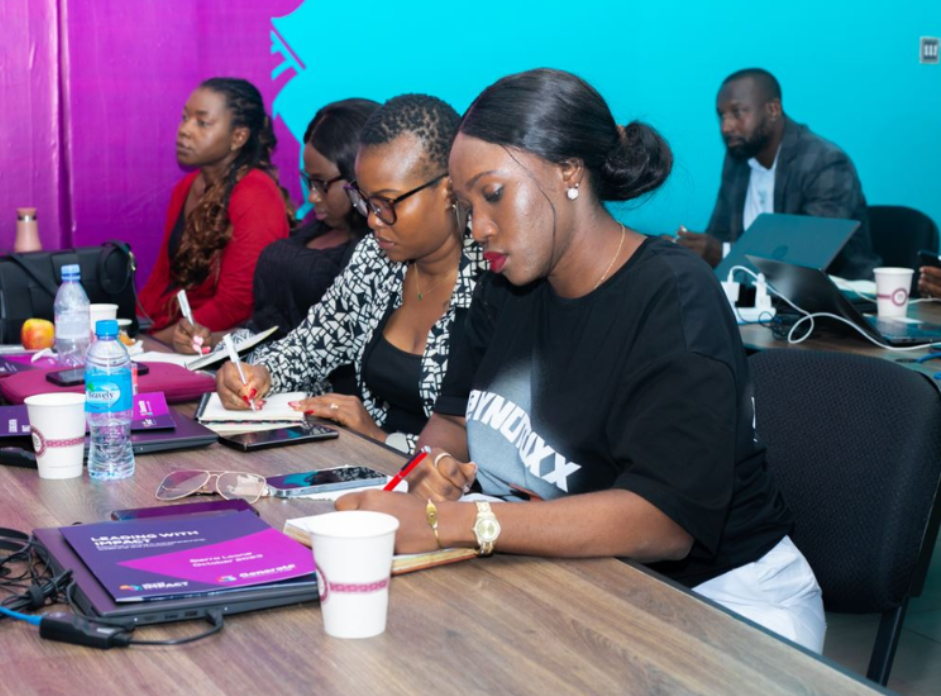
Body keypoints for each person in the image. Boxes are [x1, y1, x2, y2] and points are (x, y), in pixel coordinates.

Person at [337, 68, 827, 653]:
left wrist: (460, 523)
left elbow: (663, 522)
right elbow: (455, 422)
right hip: (570, 582)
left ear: (569, 170)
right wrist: (425, 474)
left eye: (493, 195)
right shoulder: (503, 283)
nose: (479, 229)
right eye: (467, 207)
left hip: (721, 602)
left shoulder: (673, 296)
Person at [214, 94, 486, 452]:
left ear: (449, 189)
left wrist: (381, 437)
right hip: (367, 464)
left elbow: (488, 446)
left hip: (448, 492)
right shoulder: (376, 257)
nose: (373, 220)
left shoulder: (495, 277)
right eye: (365, 200)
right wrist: (260, 373)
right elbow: (309, 346)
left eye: (387, 203)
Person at [179, 98, 380, 353]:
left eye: (322, 184)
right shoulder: (318, 229)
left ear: (359, 176)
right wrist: (213, 342)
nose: (312, 197)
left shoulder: (378, 252)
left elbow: (324, 351)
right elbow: (265, 331)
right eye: (308, 181)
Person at [676, 68, 880, 280]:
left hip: (842, 300)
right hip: (759, 300)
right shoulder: (738, 159)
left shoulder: (825, 162)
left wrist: (725, 253)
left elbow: (810, 251)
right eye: (722, 116)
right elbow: (718, 237)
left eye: (737, 113)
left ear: (773, 110)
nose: (726, 127)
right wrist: (688, 248)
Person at [139, 77, 293, 353]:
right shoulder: (186, 187)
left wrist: (160, 339)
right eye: (185, 118)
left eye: (202, 122)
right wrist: (135, 329)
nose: (184, 130)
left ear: (238, 137)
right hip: (173, 336)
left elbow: (236, 303)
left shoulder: (256, 194)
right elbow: (163, 278)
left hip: (225, 350)